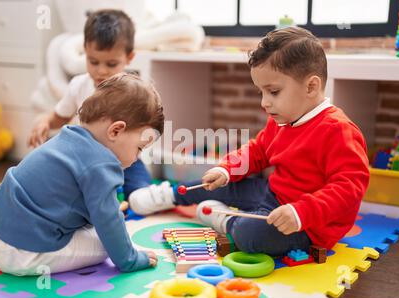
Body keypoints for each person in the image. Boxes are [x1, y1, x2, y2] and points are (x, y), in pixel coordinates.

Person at [129, 27, 370, 256]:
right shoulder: (282, 119)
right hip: (273, 193)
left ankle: (224, 219)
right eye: (261, 92)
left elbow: (349, 188)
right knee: (216, 183)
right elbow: (258, 150)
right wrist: (227, 169)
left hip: (308, 225)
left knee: (250, 235)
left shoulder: (338, 130)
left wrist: (301, 212)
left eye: (273, 92)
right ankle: (170, 195)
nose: (264, 102)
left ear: (311, 86)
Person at [0, 73, 164, 275]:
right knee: (105, 243)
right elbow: (108, 222)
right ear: (115, 131)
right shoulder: (102, 165)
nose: (136, 158)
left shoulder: (68, 135)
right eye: (140, 148)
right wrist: (130, 259)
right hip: (18, 253)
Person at [28, 9, 151, 199]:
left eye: (111, 64)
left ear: (129, 57)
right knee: (56, 191)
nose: (101, 71)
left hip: (126, 163)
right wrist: (44, 121)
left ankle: (161, 195)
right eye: (93, 62)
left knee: (142, 196)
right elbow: (59, 118)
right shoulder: (78, 85)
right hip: (86, 163)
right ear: (85, 51)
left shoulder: (134, 91)